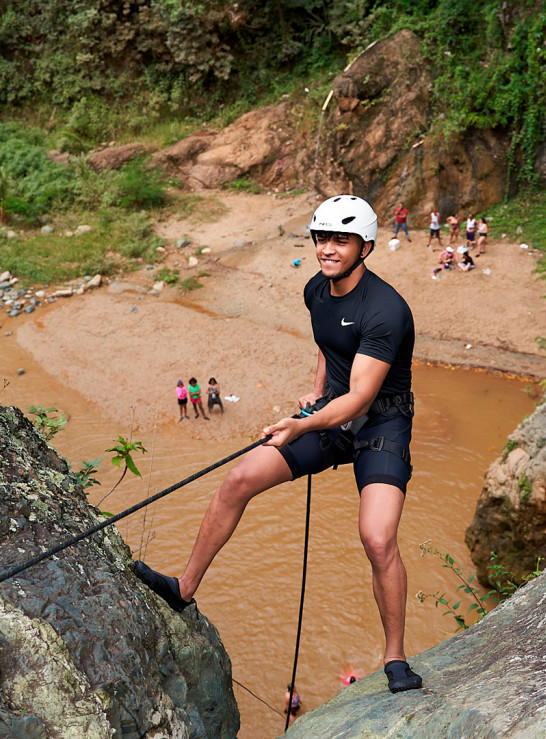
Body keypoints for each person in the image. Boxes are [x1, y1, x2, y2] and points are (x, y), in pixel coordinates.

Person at [134, 195, 422, 695]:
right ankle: (183, 588)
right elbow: (328, 344)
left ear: (366, 247)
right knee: (239, 478)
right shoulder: (317, 290)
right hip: (329, 413)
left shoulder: (386, 310)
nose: (327, 249)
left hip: (380, 426)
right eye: (322, 238)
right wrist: (315, 391)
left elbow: (360, 398)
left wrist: (302, 423)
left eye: (340, 240)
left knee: (377, 538)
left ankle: (395, 655)